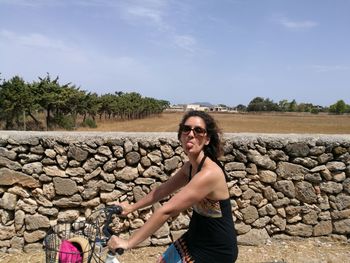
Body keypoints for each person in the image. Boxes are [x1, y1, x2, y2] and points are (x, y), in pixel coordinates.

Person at [108, 110, 238, 262]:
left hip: (216, 250)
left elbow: (167, 210)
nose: (191, 134)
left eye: (198, 131)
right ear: (181, 135)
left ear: (207, 139)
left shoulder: (209, 174)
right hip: (194, 238)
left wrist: (128, 243)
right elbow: (162, 191)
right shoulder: (190, 167)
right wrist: (131, 207)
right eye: (186, 129)